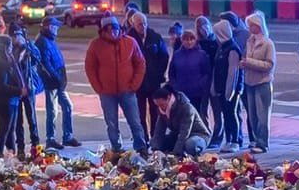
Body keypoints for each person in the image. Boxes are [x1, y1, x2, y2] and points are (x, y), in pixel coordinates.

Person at [84, 15, 148, 154]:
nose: (114, 32)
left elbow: (140, 63)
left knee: (135, 121)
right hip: (107, 92)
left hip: (127, 89)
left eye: (116, 29)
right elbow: (90, 67)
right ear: (103, 31)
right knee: (111, 123)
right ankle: (117, 148)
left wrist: (134, 84)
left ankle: (141, 147)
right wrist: (98, 87)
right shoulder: (96, 45)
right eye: (110, 29)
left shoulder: (130, 42)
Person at [35, 16, 78, 148]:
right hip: (52, 82)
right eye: (55, 27)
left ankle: (67, 136)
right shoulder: (43, 41)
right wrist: (56, 78)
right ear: (48, 27)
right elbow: (46, 64)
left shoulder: (49, 40)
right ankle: (51, 138)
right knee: (53, 110)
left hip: (57, 81)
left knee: (66, 106)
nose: (57, 29)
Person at [207, 19, 244, 150]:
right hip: (220, 89)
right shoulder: (221, 47)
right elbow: (216, 69)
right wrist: (214, 87)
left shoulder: (233, 49)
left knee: (232, 114)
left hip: (230, 90)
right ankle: (228, 140)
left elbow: (233, 73)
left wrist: (230, 91)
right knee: (225, 114)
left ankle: (235, 140)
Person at [129, 11, 166, 145]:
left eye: (144, 23)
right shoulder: (129, 39)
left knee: (155, 111)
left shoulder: (155, 37)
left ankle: (155, 137)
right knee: (140, 112)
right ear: (133, 24)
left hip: (153, 81)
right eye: (139, 24)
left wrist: (158, 73)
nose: (143, 26)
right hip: (138, 83)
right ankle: (142, 138)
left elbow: (164, 56)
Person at [0, 36, 27, 156]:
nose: (11, 49)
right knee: (5, 128)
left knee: (10, 129)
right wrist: (19, 91)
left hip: (11, 99)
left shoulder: (7, 60)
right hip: (3, 100)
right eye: (9, 46)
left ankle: (11, 153)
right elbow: (1, 86)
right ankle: (0, 154)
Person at [242, 12, 276, 153]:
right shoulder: (250, 42)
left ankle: (263, 143)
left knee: (262, 115)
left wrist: (248, 62)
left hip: (263, 83)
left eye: (252, 25)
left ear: (259, 26)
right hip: (250, 82)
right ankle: (255, 139)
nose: (249, 28)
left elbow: (269, 65)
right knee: (253, 115)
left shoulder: (267, 44)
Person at [148, 84, 208, 157]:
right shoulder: (161, 110)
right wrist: (155, 149)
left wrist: (175, 154)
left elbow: (185, 132)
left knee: (190, 144)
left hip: (197, 135)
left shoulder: (186, 107)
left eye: (162, 104)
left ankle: (188, 153)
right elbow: (159, 130)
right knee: (154, 141)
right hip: (177, 136)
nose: (160, 107)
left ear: (168, 97)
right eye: (158, 105)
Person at [168, 28, 212, 117]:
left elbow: (207, 73)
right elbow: (172, 72)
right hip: (181, 92)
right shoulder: (177, 54)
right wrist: (175, 86)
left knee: (197, 116)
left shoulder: (201, 54)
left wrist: (200, 85)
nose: (189, 42)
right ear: (182, 40)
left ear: (195, 40)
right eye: (186, 39)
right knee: (182, 116)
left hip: (197, 93)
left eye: (191, 39)